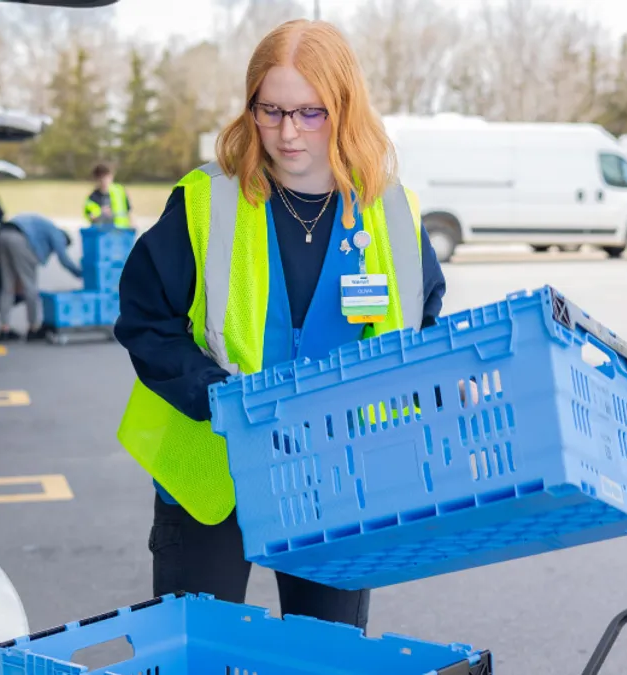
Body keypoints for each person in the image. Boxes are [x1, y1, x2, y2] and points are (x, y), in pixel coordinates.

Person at [113, 19, 446, 630]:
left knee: (330, 657)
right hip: (213, 473)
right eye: (271, 111)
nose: (288, 133)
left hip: (337, 475)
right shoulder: (205, 201)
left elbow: (420, 326)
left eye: (310, 113)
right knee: (201, 656)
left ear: (344, 109)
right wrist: (220, 399)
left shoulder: (393, 212)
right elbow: (145, 320)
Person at [0, 212, 82, 342]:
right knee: (30, 286)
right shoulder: (57, 234)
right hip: (20, 239)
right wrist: (80, 273)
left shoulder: (44, 227)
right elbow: (64, 259)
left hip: (3, 234)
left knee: (8, 286)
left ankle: (4, 329)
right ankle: (33, 328)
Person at [84, 163, 131, 228]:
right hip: (102, 234)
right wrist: (101, 213)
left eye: (106, 177)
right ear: (96, 179)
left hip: (121, 232)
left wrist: (132, 225)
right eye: (101, 178)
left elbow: (128, 211)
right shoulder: (92, 198)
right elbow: (91, 217)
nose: (104, 181)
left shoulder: (120, 192)